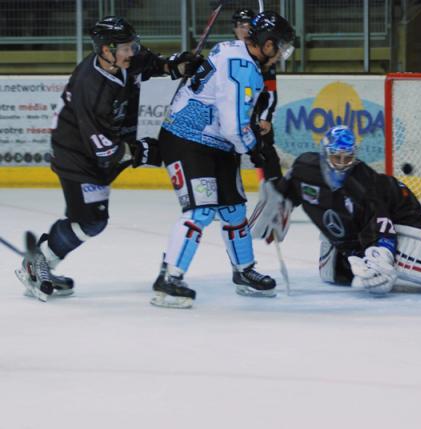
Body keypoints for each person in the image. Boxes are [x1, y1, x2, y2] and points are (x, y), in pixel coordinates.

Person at [14, 16, 203, 302]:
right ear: (105, 50)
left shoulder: (123, 60)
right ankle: (38, 261)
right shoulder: (92, 86)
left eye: (132, 45)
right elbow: (101, 147)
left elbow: (149, 62)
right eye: (125, 48)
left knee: (91, 219)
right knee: (91, 221)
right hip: (77, 155)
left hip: (99, 150)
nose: (132, 52)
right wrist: (139, 152)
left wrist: (174, 65)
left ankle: (42, 259)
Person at [250, 126, 421, 299]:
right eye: (336, 158)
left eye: (348, 158)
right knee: (334, 276)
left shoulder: (363, 185)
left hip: (404, 214)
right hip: (356, 230)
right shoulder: (305, 169)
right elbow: (287, 189)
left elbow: (382, 224)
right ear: (324, 155)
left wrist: (381, 255)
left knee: (401, 256)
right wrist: (275, 202)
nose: (342, 165)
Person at [151, 11, 295, 309]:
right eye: (280, 47)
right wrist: (254, 147)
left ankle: (244, 271)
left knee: (232, 210)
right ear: (267, 45)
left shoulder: (234, 49)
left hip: (217, 143)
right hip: (186, 141)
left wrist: (252, 134)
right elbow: (234, 126)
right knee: (201, 211)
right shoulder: (242, 68)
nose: (282, 54)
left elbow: (232, 123)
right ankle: (169, 279)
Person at [232, 7, 283, 180]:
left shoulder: (265, 58)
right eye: (240, 25)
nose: (243, 29)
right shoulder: (229, 53)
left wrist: (265, 118)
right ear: (234, 28)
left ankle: (275, 189)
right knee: (228, 154)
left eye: (247, 25)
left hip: (257, 118)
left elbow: (271, 93)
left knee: (267, 153)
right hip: (234, 118)